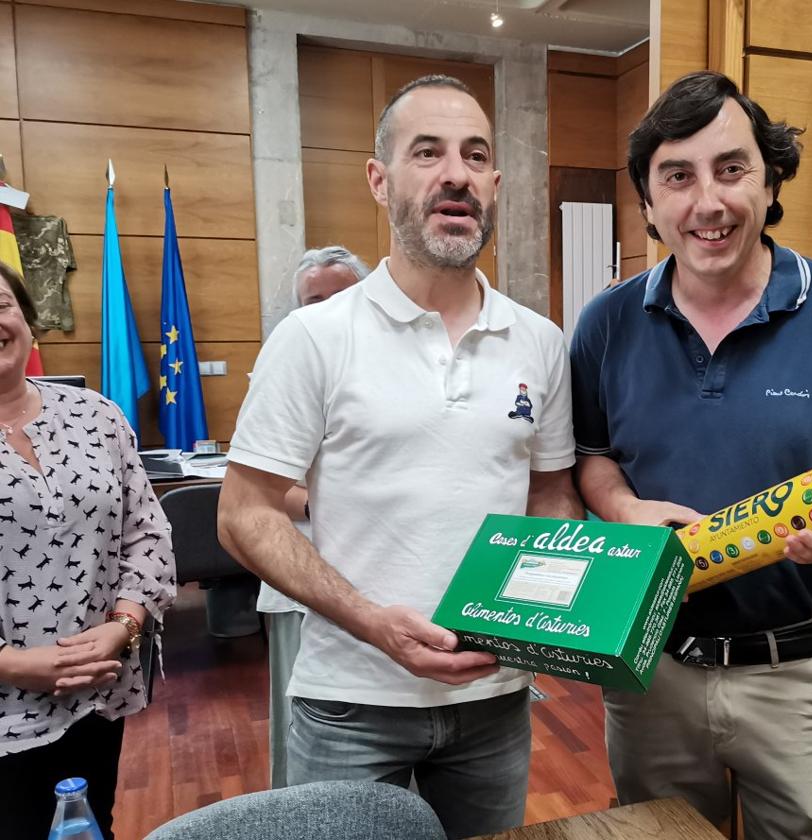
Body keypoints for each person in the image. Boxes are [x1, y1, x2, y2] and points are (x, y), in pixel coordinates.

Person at [217, 75, 581, 839]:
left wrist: (544, 616)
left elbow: (551, 492)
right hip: (351, 699)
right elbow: (244, 513)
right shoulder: (313, 337)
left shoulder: (541, 342)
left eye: (474, 155)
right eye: (428, 152)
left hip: (496, 695)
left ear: (494, 184)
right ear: (380, 181)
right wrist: (372, 622)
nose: (455, 173)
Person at [570, 71, 812, 840]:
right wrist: (627, 510)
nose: (708, 203)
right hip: (648, 668)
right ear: (649, 200)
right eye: (678, 176)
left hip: (793, 675)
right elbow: (592, 461)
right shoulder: (605, 323)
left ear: (770, 182)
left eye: (732, 169)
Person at [0, 262, 176, 839]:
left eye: (2, 305)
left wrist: (125, 624)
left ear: (26, 319)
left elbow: (147, 533)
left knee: (89, 826)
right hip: (5, 711)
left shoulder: (95, 415)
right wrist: (15, 664)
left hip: (97, 695)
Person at [256, 245, 369, 790]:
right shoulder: (286, 362)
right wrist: (325, 499)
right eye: (312, 300)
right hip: (298, 571)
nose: (325, 309)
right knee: (308, 724)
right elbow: (254, 490)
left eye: (339, 296)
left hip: (379, 576)